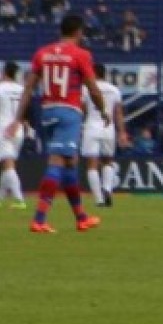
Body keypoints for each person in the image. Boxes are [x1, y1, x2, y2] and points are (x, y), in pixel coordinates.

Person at [4, 14, 108, 233]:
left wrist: (18, 118)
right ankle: (39, 219)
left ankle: (81, 218)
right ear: (78, 32)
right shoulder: (81, 55)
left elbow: (29, 88)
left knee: (70, 162)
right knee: (58, 161)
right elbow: (93, 88)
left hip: (48, 111)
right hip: (69, 112)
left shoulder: (42, 53)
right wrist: (102, 110)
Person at [81, 64, 126, 207]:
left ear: (93, 73)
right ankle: (107, 189)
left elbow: (83, 110)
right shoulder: (114, 90)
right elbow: (118, 113)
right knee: (108, 161)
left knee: (92, 165)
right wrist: (122, 132)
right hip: (109, 129)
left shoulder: (86, 89)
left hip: (91, 127)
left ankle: (99, 199)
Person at [0, 61, 28, 208]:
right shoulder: (21, 89)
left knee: (7, 164)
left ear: (4, 72)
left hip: (4, 127)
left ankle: (19, 199)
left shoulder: (1, 88)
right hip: (18, 128)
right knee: (6, 165)